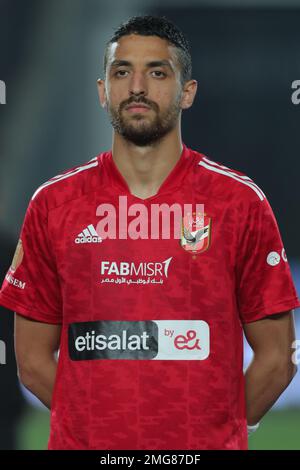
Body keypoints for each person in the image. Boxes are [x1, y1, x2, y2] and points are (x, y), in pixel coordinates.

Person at [0, 14, 299, 451]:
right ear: (103, 91)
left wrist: (214, 435)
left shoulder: (239, 204)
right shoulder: (53, 205)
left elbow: (277, 358)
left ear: (188, 92)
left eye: (158, 72)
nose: (137, 87)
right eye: (122, 72)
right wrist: (99, 433)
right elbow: (30, 360)